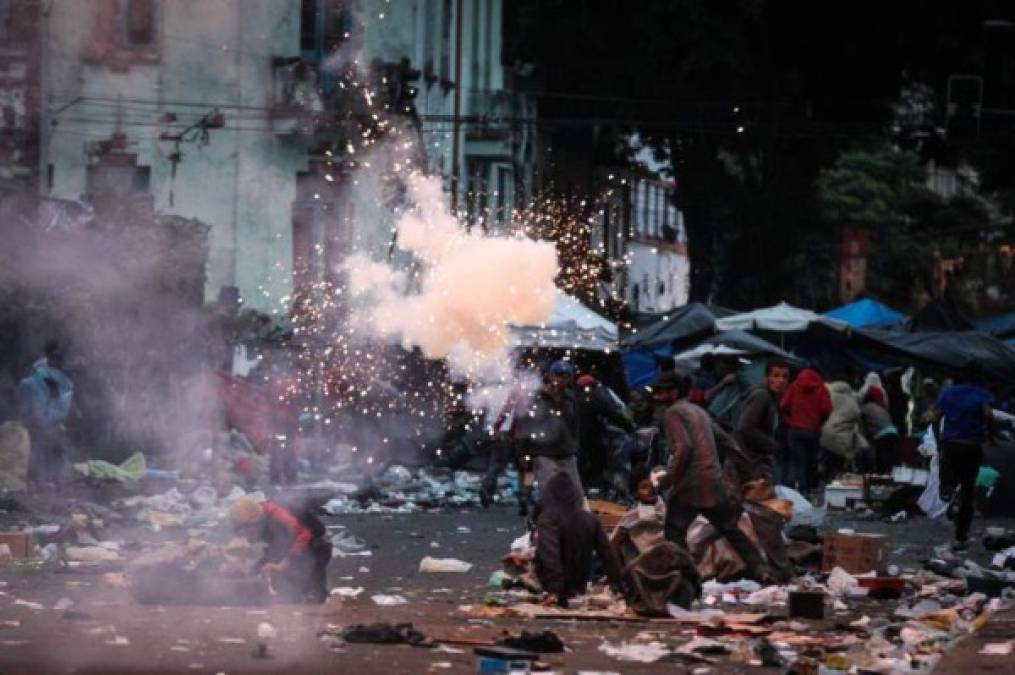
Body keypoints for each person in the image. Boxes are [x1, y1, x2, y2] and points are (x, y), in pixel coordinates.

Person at [652, 374, 773, 583]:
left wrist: (669, 478)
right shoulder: (699, 411)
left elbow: (684, 447)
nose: (658, 397)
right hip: (713, 480)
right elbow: (727, 442)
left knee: (674, 531)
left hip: (691, 483)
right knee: (731, 529)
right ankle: (762, 569)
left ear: (673, 393)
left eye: (662, 392)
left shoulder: (672, 413)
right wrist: (747, 474)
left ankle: (686, 579)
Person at [533, 472, 624, 607]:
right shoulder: (590, 519)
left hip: (555, 587)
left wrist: (555, 589)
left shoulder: (548, 519)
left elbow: (550, 554)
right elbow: (607, 554)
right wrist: (619, 585)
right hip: (579, 584)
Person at [929, 367, 994, 551]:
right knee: (968, 489)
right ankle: (961, 535)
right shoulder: (982, 393)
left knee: (950, 481)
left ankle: (950, 498)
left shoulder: (949, 392)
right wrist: (989, 434)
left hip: (950, 445)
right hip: (971, 445)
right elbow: (988, 414)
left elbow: (934, 415)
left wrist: (938, 439)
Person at [229, 496, 331, 603]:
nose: (247, 533)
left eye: (248, 528)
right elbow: (272, 546)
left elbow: (304, 534)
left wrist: (283, 563)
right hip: (285, 547)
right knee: (255, 573)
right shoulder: (259, 521)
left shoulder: (277, 514)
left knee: (304, 593)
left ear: (255, 520)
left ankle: (314, 594)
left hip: (311, 547)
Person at [513, 360, 584, 498]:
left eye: (565, 376)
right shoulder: (537, 398)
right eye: (558, 375)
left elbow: (575, 425)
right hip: (543, 452)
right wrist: (521, 452)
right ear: (550, 376)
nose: (561, 379)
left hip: (566, 453)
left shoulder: (570, 398)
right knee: (548, 494)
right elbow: (524, 424)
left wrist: (575, 446)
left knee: (576, 494)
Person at [17, 340, 74, 490]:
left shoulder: (43, 371)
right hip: (43, 419)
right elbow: (52, 399)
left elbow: (59, 398)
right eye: (56, 354)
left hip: (43, 418)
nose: (59, 358)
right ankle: (43, 482)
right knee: (43, 449)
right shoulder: (45, 374)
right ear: (51, 355)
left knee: (44, 449)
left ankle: (43, 482)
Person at [575, 373, 635, 490]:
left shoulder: (574, 398)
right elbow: (612, 413)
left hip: (577, 440)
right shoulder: (595, 397)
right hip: (593, 437)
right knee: (597, 465)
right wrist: (629, 426)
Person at [779, 366, 832, 496]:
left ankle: (800, 491)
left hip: (796, 430)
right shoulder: (821, 388)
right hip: (813, 431)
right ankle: (809, 488)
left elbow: (783, 405)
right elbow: (826, 409)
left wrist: (791, 417)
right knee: (811, 462)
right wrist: (819, 421)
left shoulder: (794, 386)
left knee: (798, 462)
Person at [734, 360, 790, 482]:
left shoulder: (772, 398)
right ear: (766, 378)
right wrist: (771, 444)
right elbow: (745, 428)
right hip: (748, 460)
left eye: (784, 377)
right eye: (775, 376)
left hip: (754, 460)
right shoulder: (762, 395)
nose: (780, 380)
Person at [821, 376, 872, 478]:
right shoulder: (851, 400)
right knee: (839, 463)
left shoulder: (828, 395)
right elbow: (857, 415)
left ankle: (825, 481)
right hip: (842, 436)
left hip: (824, 435)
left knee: (828, 461)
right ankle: (836, 483)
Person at [860, 387, 899, 474]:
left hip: (881, 434)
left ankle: (880, 476)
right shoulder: (881, 407)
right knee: (889, 457)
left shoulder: (864, 408)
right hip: (893, 432)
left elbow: (861, 426)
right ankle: (889, 475)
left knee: (880, 458)